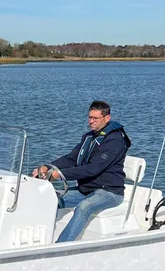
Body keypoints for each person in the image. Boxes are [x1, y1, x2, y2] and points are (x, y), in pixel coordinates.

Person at [33, 101, 131, 242]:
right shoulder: (89, 137)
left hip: (110, 192)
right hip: (85, 189)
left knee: (84, 207)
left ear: (107, 118)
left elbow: (92, 169)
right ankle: (39, 238)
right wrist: (48, 167)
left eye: (95, 118)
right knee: (52, 199)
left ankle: (60, 247)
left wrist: (58, 176)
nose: (91, 121)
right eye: (90, 117)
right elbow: (71, 159)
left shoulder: (115, 140)